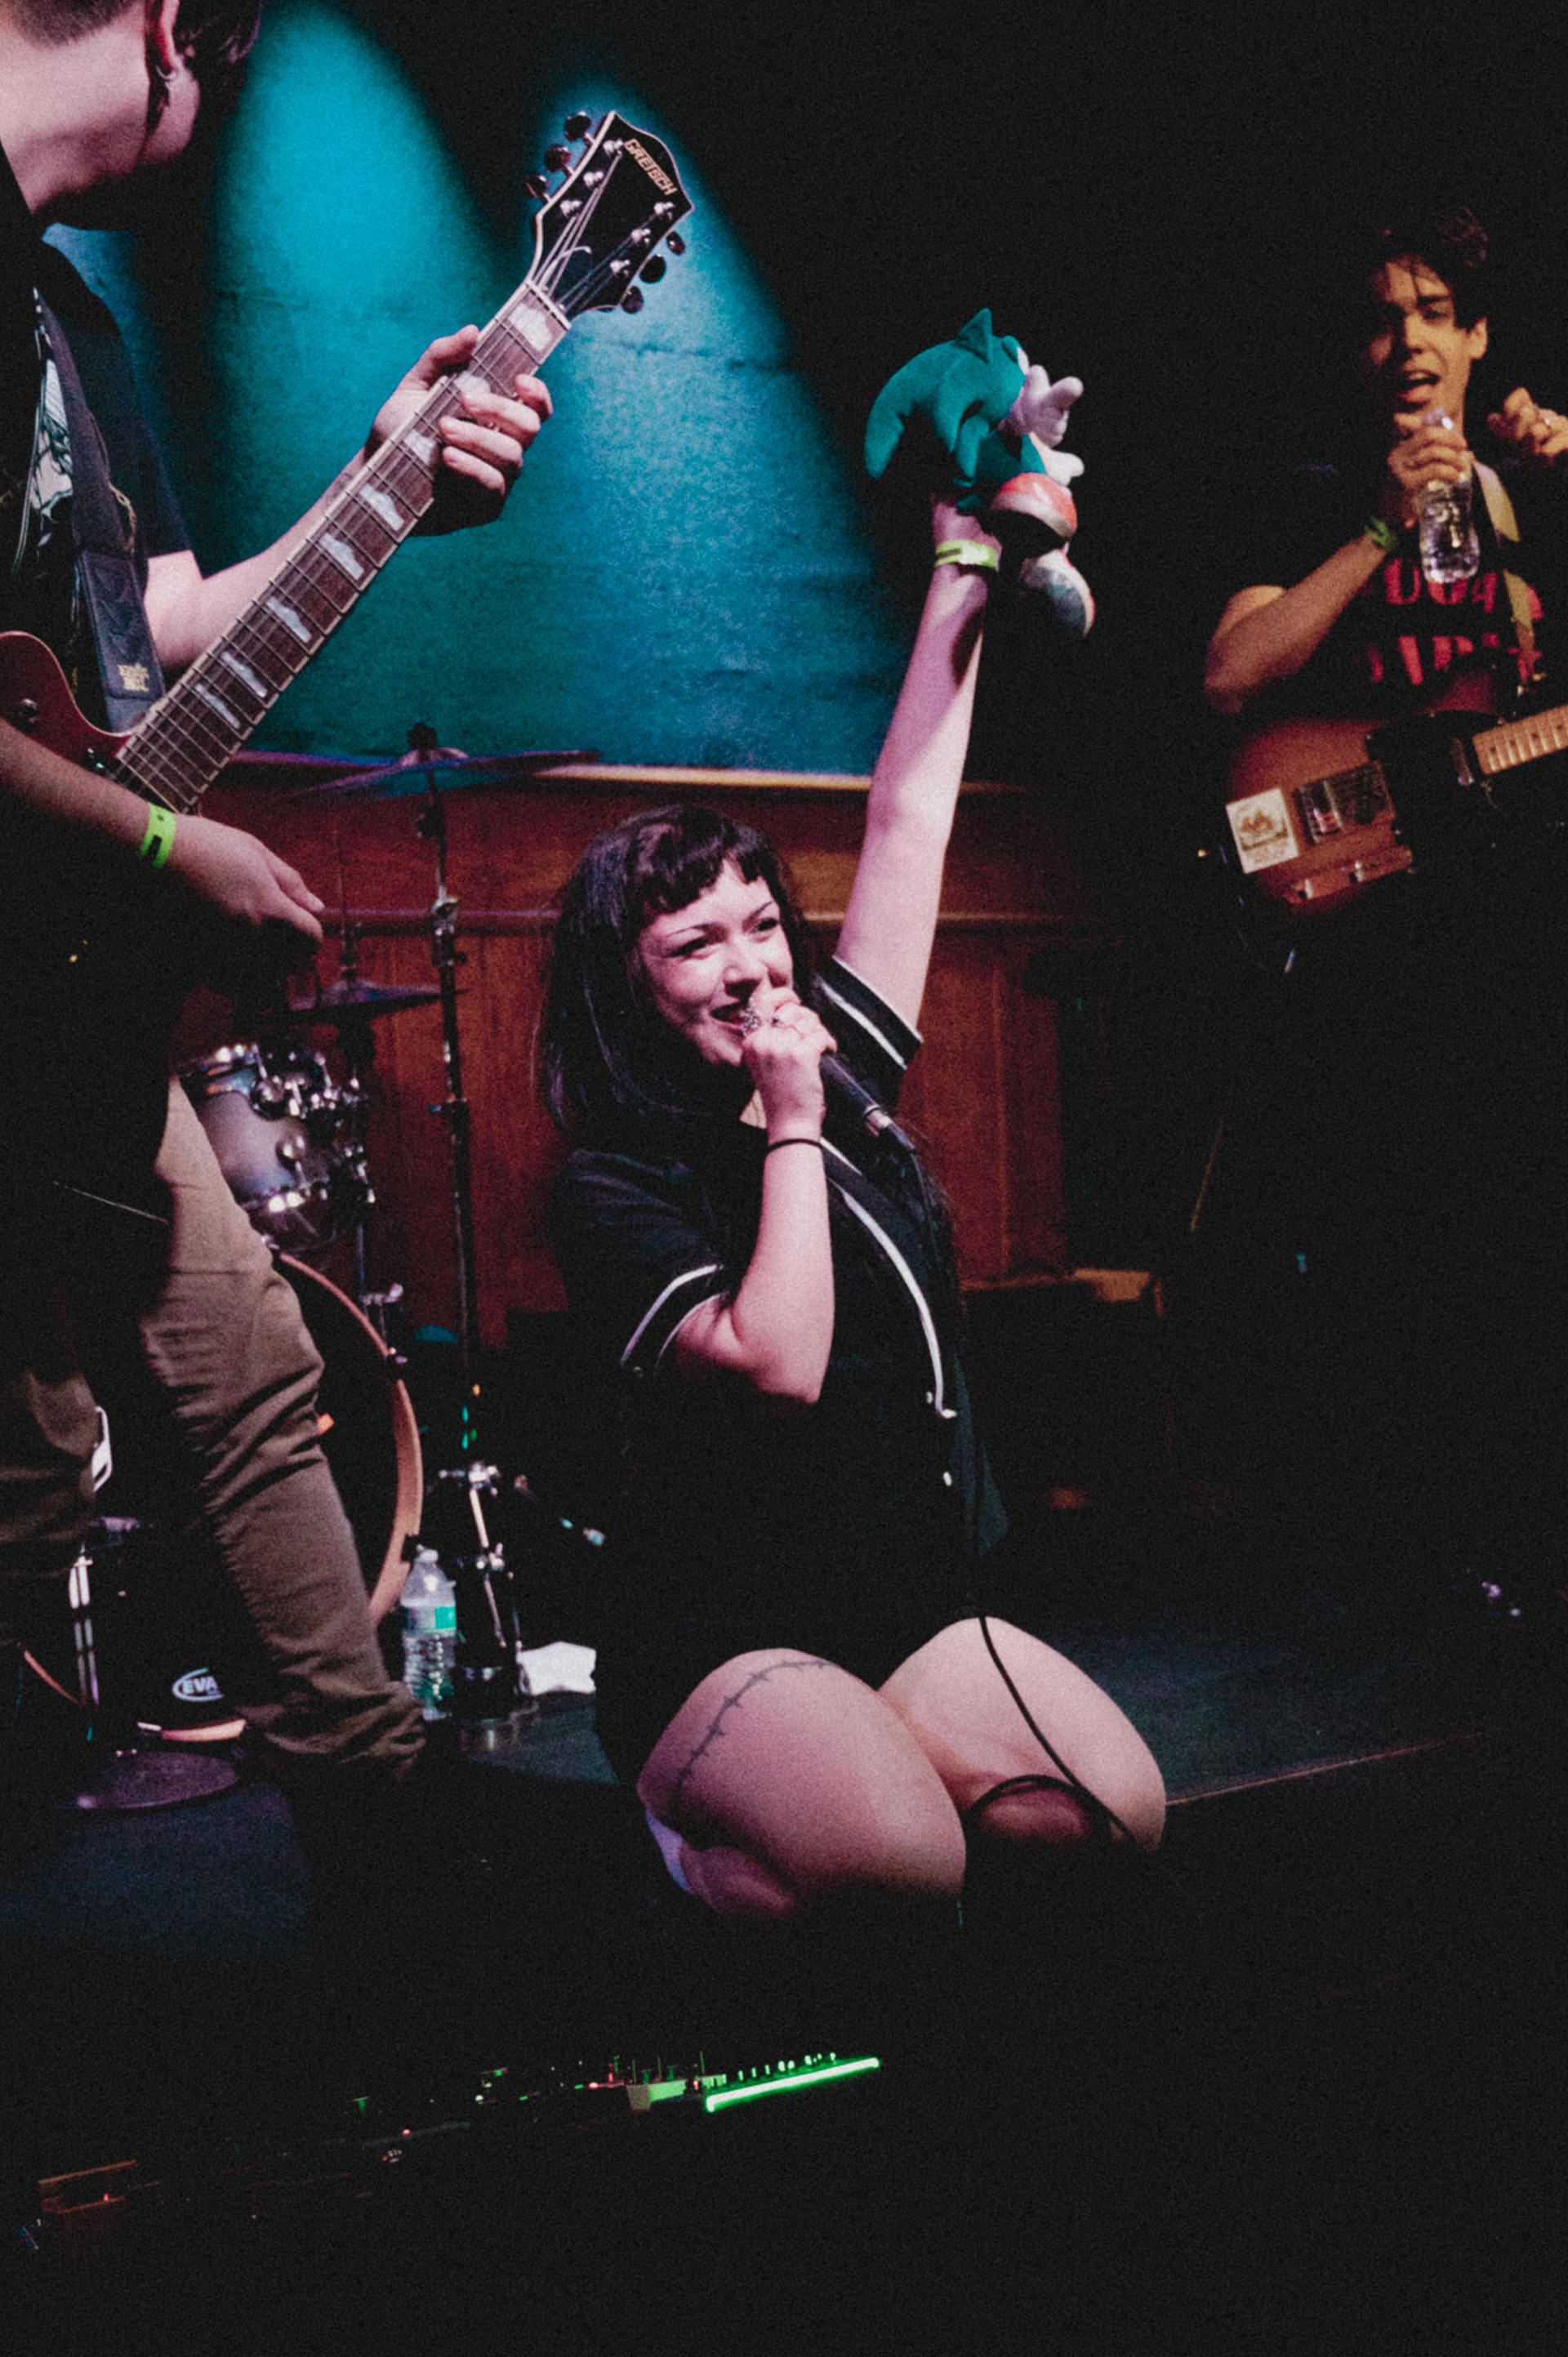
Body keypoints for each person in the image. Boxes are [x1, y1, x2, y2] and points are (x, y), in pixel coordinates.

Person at [0, 0, 550, 1801]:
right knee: (28, 1476)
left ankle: (386, 1830)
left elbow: (149, 631)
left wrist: (379, 490)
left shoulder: (63, 317)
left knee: (247, 1384)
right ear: (172, 27)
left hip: (52, 983)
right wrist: (165, 851)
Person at [542, 469, 1166, 1926]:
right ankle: (685, 1830)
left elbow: (906, 821)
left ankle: (859, 1762)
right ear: (629, 989)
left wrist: (964, 563)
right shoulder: (615, 1180)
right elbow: (780, 1364)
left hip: (895, 1603)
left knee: (1110, 1819)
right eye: (696, 944)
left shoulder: (832, 1064)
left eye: (762, 924)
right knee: (899, 1867)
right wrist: (793, 1118)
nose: (752, 966)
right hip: (718, 1632)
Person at [1200, 203, 1568, 1587]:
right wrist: (1381, 524)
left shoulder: (1527, 496)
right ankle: (1397, 1537)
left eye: (1433, 313)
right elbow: (1233, 677)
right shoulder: (1312, 492)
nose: (1407, 340)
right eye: (1380, 318)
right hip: (1366, 914)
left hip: (1510, 910)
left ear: (1477, 337)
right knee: (1395, 1233)